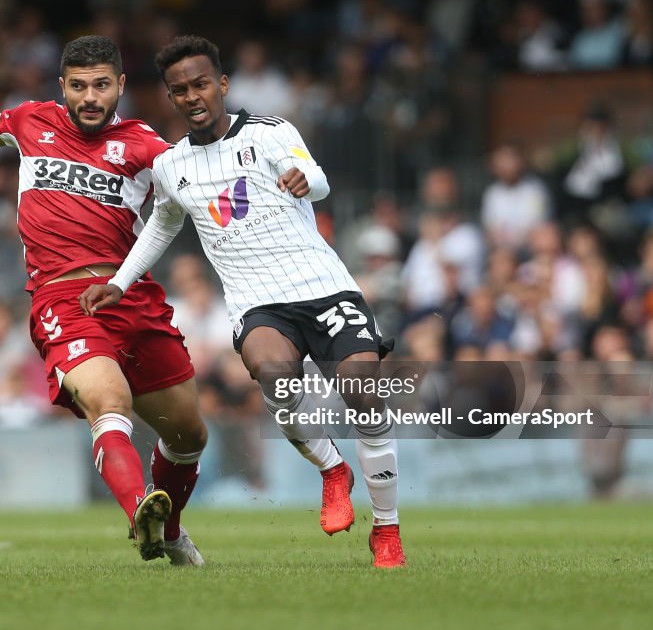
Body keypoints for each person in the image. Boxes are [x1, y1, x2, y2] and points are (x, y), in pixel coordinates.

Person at [80, 35, 407, 568]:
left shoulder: (271, 133)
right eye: (179, 89)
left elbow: (317, 178)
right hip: (258, 301)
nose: (192, 96)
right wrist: (119, 281)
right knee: (274, 374)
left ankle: (387, 531)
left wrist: (307, 181)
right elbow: (161, 225)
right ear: (170, 97)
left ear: (222, 84)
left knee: (362, 388)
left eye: (201, 83)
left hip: (322, 284)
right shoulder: (172, 166)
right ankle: (331, 468)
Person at [0, 35, 207, 565]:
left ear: (120, 87)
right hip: (63, 300)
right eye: (80, 86)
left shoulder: (145, 145)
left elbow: (202, 177)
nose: (91, 97)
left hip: (133, 296)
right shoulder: (32, 122)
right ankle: (140, 511)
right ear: (62, 86)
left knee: (189, 436)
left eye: (102, 86)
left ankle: (170, 531)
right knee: (110, 403)